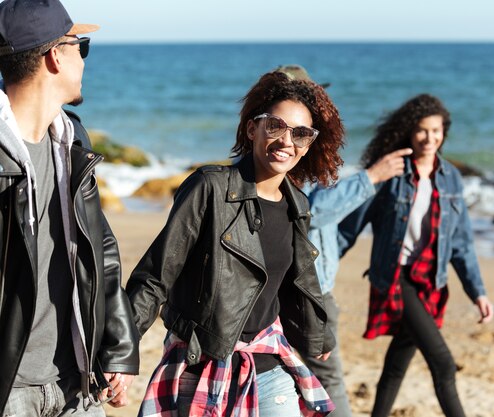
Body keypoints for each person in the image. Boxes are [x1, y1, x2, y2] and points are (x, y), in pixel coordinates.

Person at [126, 70, 345, 417]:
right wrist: (122, 351)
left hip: (270, 362)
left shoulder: (297, 205)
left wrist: (316, 336)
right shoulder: (209, 188)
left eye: (301, 134)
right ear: (252, 128)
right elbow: (156, 275)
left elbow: (293, 282)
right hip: (202, 362)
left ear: (309, 144)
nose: (287, 141)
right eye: (276, 126)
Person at [0, 0, 140, 415]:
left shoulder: (72, 142)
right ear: (54, 56)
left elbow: (101, 247)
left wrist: (119, 349)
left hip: (75, 383)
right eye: (81, 45)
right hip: (10, 392)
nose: (84, 57)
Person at [338, 94, 494, 417]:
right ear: (410, 132)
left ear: (444, 133)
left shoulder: (450, 177)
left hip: (430, 280)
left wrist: (477, 292)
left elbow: (461, 243)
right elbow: (350, 226)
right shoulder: (391, 172)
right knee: (444, 364)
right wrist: (317, 267)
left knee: (398, 362)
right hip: (397, 278)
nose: (429, 138)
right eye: (422, 130)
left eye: (436, 131)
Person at [275, 64, 412, 417]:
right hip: (301, 289)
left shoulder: (299, 147)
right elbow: (313, 213)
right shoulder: (285, 151)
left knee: (302, 379)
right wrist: (371, 177)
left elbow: (330, 224)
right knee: (323, 380)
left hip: (312, 287)